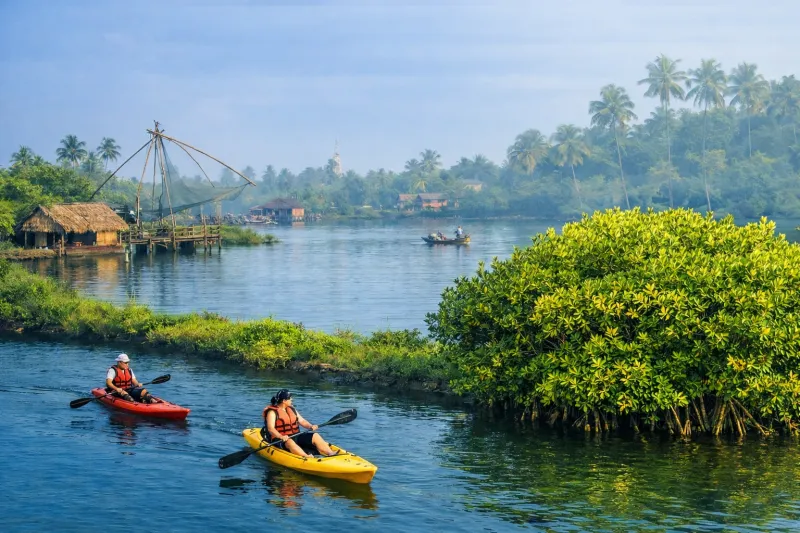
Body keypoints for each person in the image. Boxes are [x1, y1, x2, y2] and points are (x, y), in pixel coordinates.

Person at [263, 389, 337, 458]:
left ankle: (330, 453)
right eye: (290, 398)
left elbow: (302, 421)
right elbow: (271, 429)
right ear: (284, 401)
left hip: (295, 435)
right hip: (280, 439)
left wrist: (310, 426)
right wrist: (280, 436)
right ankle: (306, 457)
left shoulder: (291, 409)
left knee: (315, 435)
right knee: (289, 442)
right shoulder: (272, 412)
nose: (292, 399)